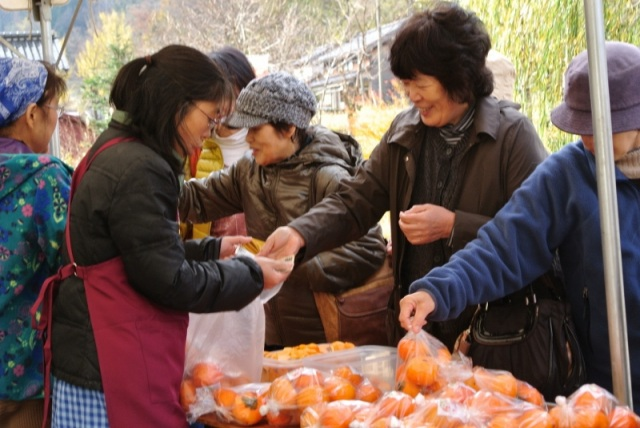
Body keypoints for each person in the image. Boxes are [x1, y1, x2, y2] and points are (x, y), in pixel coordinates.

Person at [259, 1, 548, 347]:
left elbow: (537, 238)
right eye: (406, 84)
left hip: (492, 338)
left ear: (459, 77)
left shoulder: (513, 137)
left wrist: (454, 225)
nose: (412, 96)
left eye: (420, 84)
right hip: (416, 335)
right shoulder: (405, 132)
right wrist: (299, 234)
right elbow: (355, 200)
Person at [36, 45, 292, 428]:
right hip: (108, 364)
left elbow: (139, 250)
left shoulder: (116, 146)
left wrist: (211, 249)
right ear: (177, 104)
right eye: (210, 117)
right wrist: (252, 276)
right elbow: (168, 279)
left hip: (94, 352)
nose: (210, 133)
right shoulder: (141, 166)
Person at [398, 41, 640, 409]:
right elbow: (504, 244)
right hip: (603, 394)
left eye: (598, 127)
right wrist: (437, 291)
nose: (586, 139)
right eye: (579, 126)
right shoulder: (568, 175)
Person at [179, 71, 387, 347]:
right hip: (268, 333)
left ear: (289, 128)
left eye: (255, 129)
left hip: (325, 336)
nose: (248, 138)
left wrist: (291, 264)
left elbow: (369, 249)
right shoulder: (248, 170)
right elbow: (196, 199)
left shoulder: (328, 176)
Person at [0, 57, 71, 428]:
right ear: (31, 114)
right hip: (22, 379)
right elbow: (78, 259)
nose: (56, 118)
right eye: (54, 109)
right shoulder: (44, 179)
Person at [181, 46, 255, 240]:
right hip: (211, 262)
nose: (228, 106)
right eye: (220, 96)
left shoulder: (267, 143)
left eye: (235, 95)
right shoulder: (195, 146)